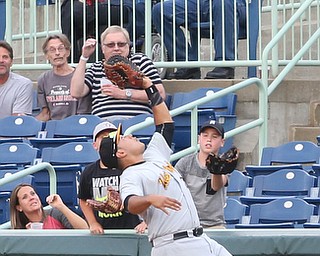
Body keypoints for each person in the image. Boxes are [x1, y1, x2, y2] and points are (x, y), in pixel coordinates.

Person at [99, 73, 232, 255]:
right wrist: (150, 199)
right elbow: (130, 203)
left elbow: (165, 125)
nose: (129, 135)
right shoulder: (130, 175)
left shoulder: (153, 154)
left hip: (198, 239)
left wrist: (148, 85)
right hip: (175, 244)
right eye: (122, 138)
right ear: (120, 153)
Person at [70, 25, 166, 122]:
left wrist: (124, 94)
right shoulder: (96, 68)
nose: (116, 48)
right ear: (103, 48)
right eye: (110, 45)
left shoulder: (141, 61)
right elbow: (76, 92)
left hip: (137, 122)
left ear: (128, 46)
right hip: (104, 125)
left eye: (121, 44)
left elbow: (160, 94)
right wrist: (84, 57)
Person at [78, 121, 147, 235]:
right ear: (95, 145)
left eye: (112, 136)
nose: (108, 139)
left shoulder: (128, 167)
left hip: (132, 229)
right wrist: (93, 223)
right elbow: (83, 199)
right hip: (103, 232)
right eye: (103, 137)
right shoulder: (89, 171)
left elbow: (147, 193)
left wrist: (146, 221)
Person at [152, 0, 246, 79]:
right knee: (160, 10)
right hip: (201, 4)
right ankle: (187, 64)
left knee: (223, 2)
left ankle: (225, 64)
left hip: (237, 4)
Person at [175, 120, 228, 228]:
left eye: (214, 136)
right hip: (187, 224)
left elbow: (216, 186)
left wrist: (215, 169)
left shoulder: (225, 163)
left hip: (214, 225)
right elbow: (172, 188)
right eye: (205, 135)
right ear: (199, 139)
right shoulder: (184, 163)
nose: (209, 139)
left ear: (222, 142)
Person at [61, 0, 145, 62]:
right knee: (69, 8)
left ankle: (70, 59)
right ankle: (70, 57)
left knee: (70, 10)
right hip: (99, 8)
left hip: (120, 6)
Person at [35, 33, 91, 121]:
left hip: (76, 126)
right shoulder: (43, 79)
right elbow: (45, 114)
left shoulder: (80, 76)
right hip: (53, 128)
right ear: (46, 55)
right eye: (52, 50)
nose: (57, 53)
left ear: (67, 52)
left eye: (61, 48)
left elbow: (83, 113)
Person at [10, 183, 89, 229]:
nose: (31, 198)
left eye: (33, 193)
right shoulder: (21, 231)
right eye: (25, 197)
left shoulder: (55, 213)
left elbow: (84, 229)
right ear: (19, 207)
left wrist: (61, 206)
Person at [0, 41, 33, 118]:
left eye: (5, 57)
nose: (1, 60)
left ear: (11, 62)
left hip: (10, 129)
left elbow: (16, 122)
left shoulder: (23, 84)